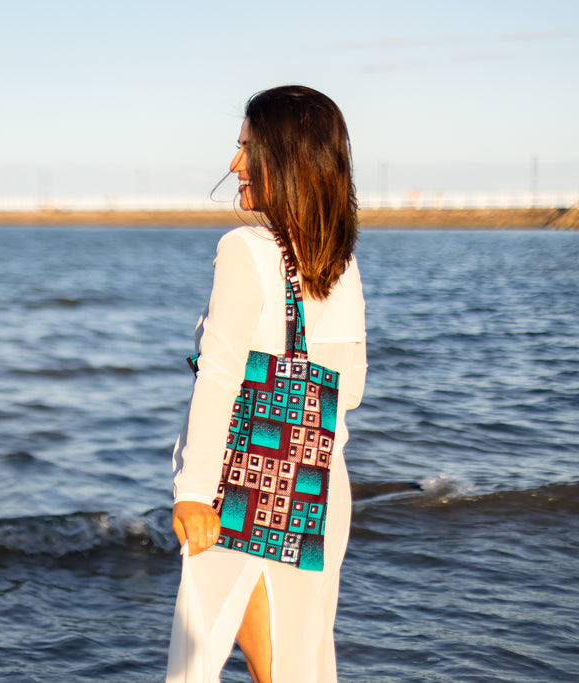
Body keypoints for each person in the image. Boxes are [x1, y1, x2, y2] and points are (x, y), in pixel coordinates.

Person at [166, 85, 367, 683]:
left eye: (247, 149)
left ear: (287, 159)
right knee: (298, 660)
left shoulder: (245, 249)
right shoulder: (340, 260)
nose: (235, 164)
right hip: (317, 486)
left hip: (240, 486)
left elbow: (221, 375)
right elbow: (349, 387)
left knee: (221, 658)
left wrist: (194, 491)